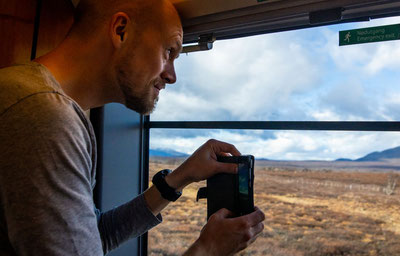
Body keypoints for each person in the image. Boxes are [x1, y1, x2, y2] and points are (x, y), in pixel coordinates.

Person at [0, 0, 265, 255]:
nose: (172, 76)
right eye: (169, 52)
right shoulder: (44, 116)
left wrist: (178, 179)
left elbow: (93, 235)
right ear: (121, 31)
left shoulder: (37, 98)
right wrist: (208, 250)